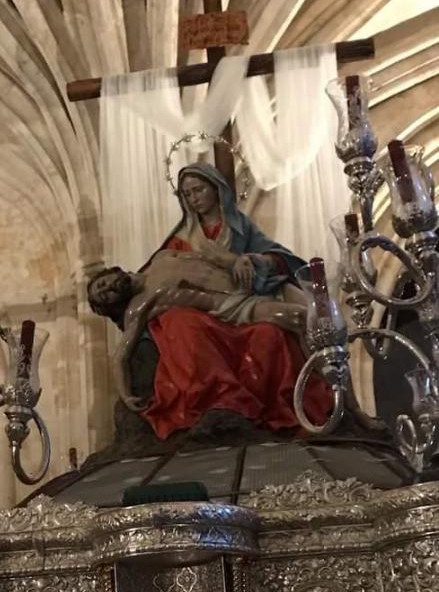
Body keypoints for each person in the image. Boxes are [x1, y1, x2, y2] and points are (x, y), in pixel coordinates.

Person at [89, 162, 332, 439]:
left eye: (198, 190)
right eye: (187, 194)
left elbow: (272, 258)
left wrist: (248, 261)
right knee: (281, 324)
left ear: (216, 189)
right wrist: (126, 394)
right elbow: (121, 354)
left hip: (252, 290)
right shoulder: (168, 259)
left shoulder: (174, 254)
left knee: (311, 319)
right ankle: (312, 398)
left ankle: (330, 398)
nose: (194, 199)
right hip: (224, 309)